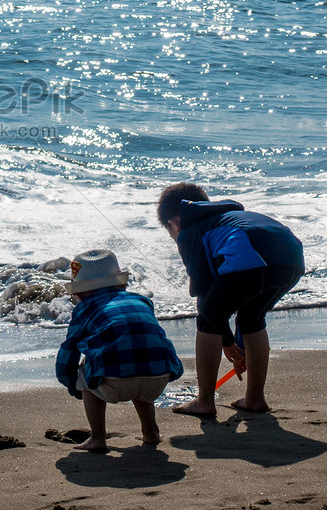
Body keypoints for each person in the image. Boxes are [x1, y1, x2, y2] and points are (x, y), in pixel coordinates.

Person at [156, 183, 304, 419]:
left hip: (252, 257)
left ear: (173, 223)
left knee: (206, 319)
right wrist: (236, 344)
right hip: (291, 258)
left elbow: (206, 299)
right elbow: (227, 297)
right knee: (251, 317)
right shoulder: (227, 217)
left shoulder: (191, 231)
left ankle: (204, 401)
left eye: (171, 233)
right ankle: (255, 398)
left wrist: (226, 343)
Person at [55, 249, 184, 452]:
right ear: (122, 282)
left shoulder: (84, 309)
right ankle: (151, 432)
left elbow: (68, 352)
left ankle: (97, 438)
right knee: (138, 354)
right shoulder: (142, 301)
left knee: (86, 366)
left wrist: (72, 384)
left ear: (79, 292)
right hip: (160, 377)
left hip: (116, 382)